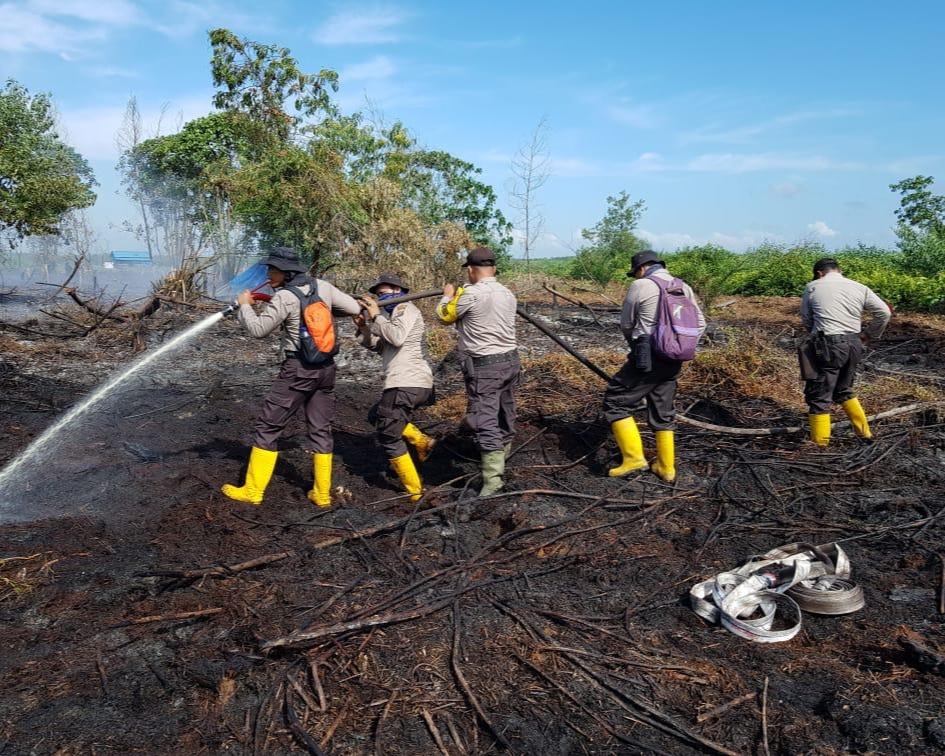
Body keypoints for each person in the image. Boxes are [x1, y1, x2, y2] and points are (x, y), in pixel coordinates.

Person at [221, 246, 361, 508]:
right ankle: (321, 494)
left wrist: (245, 307)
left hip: (297, 370)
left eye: (272, 270)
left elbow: (259, 330)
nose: (269, 274)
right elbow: (353, 307)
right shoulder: (323, 286)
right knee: (320, 429)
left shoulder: (285, 296)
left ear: (285, 272)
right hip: (326, 369)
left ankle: (252, 491)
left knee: (268, 426)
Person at [602, 250, 706, 483]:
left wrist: (638, 348)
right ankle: (666, 467)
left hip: (648, 354)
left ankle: (633, 459)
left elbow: (627, 324)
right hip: (675, 357)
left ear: (640, 268)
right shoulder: (683, 286)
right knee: (662, 407)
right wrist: (680, 346)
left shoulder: (641, 285)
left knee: (615, 402)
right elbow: (700, 323)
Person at [437, 246, 519, 497]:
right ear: (494, 269)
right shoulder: (507, 293)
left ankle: (493, 482)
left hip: (486, 367)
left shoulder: (470, 294)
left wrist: (447, 295)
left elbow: (443, 316)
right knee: (506, 412)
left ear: (471, 270)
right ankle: (501, 460)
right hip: (512, 362)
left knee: (485, 419)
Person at [355, 273, 437, 502]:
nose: (380, 297)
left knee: (389, 436)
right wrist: (364, 328)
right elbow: (381, 346)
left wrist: (375, 316)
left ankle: (414, 491)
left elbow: (397, 337)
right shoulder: (392, 317)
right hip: (407, 381)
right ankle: (422, 442)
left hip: (407, 382)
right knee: (377, 415)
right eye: (378, 294)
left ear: (397, 290)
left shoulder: (404, 308)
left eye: (384, 293)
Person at [800, 258, 891, 446]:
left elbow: (807, 319)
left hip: (828, 344)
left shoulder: (813, 287)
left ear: (819, 273)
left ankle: (820, 446)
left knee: (820, 395)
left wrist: (817, 337)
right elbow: (884, 313)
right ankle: (865, 435)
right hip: (854, 343)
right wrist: (868, 335)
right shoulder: (859, 287)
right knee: (843, 390)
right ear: (838, 270)